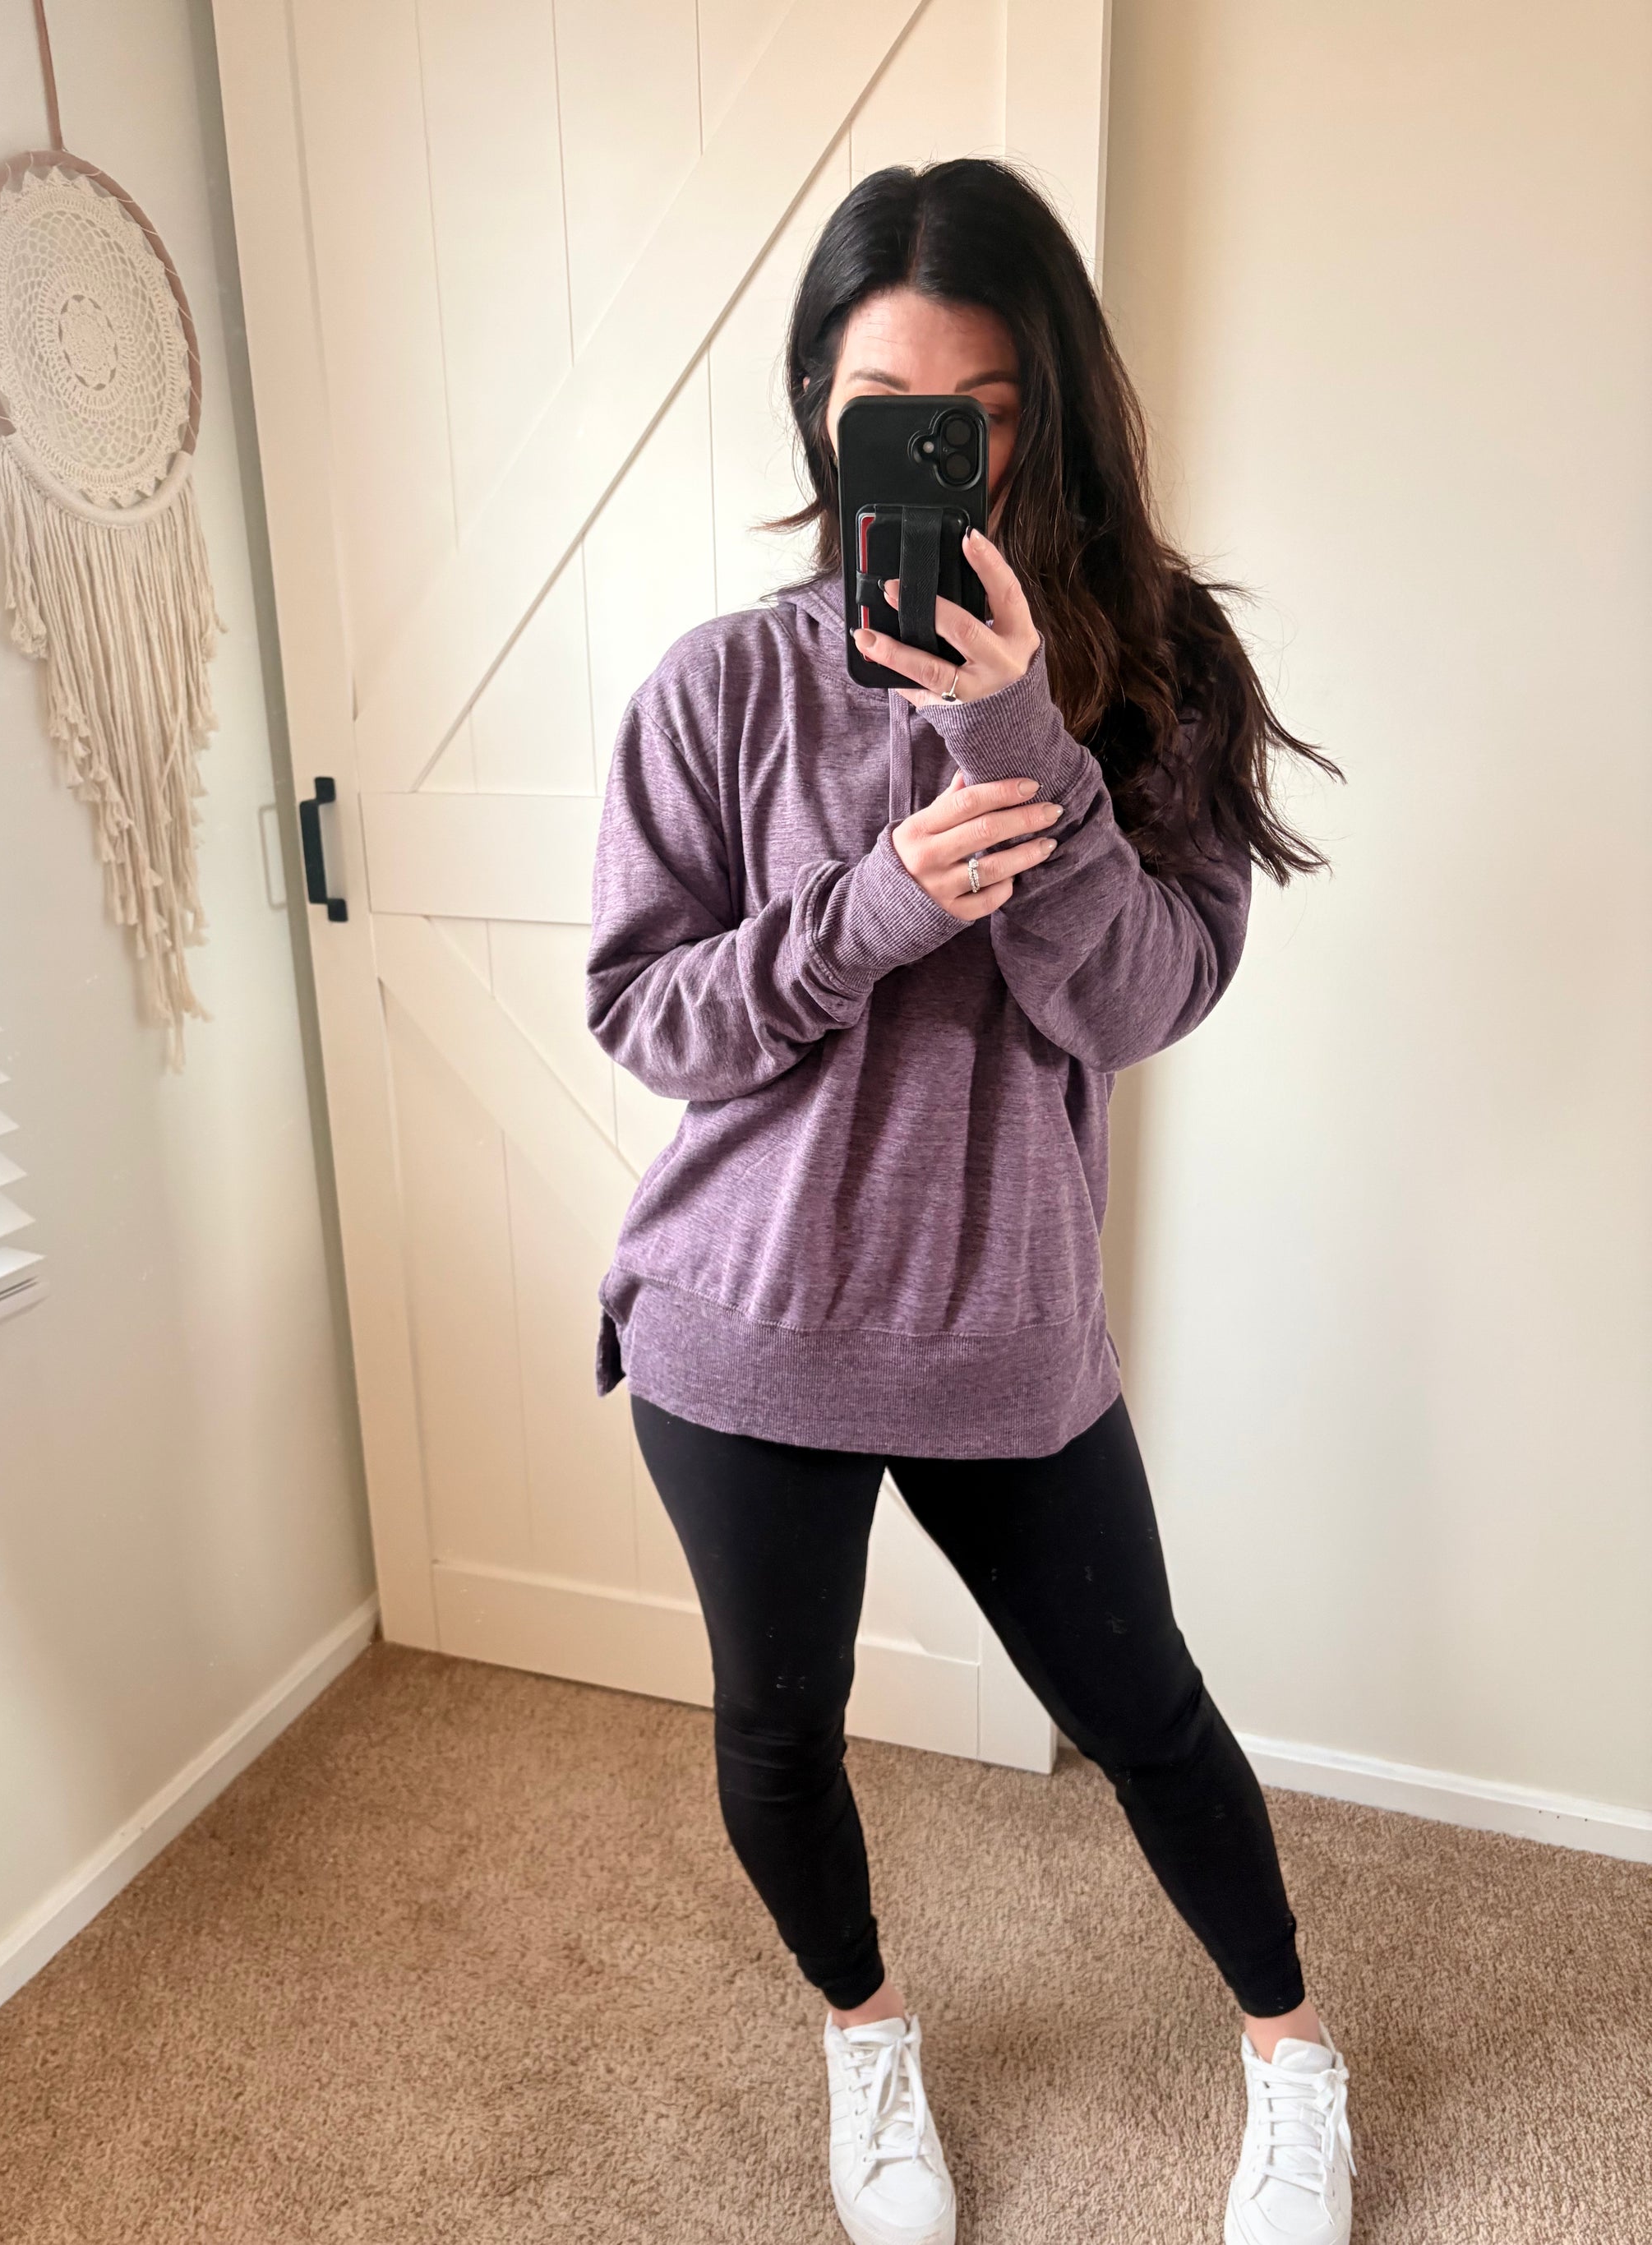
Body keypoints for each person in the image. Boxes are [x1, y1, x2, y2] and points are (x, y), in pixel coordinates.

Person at [584, 157, 1353, 2245]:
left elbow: (1134, 997)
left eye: (978, 415)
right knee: (777, 1735)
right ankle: (866, 2029)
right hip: (738, 1331)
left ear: (1047, 416)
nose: (927, 455)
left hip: (1003, 1341)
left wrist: (1008, 726)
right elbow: (646, 1013)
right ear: (817, 413)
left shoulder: (1155, 674)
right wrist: (864, 912)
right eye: (880, 411)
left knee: (1141, 1712)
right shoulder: (717, 688)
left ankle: (1293, 2050)